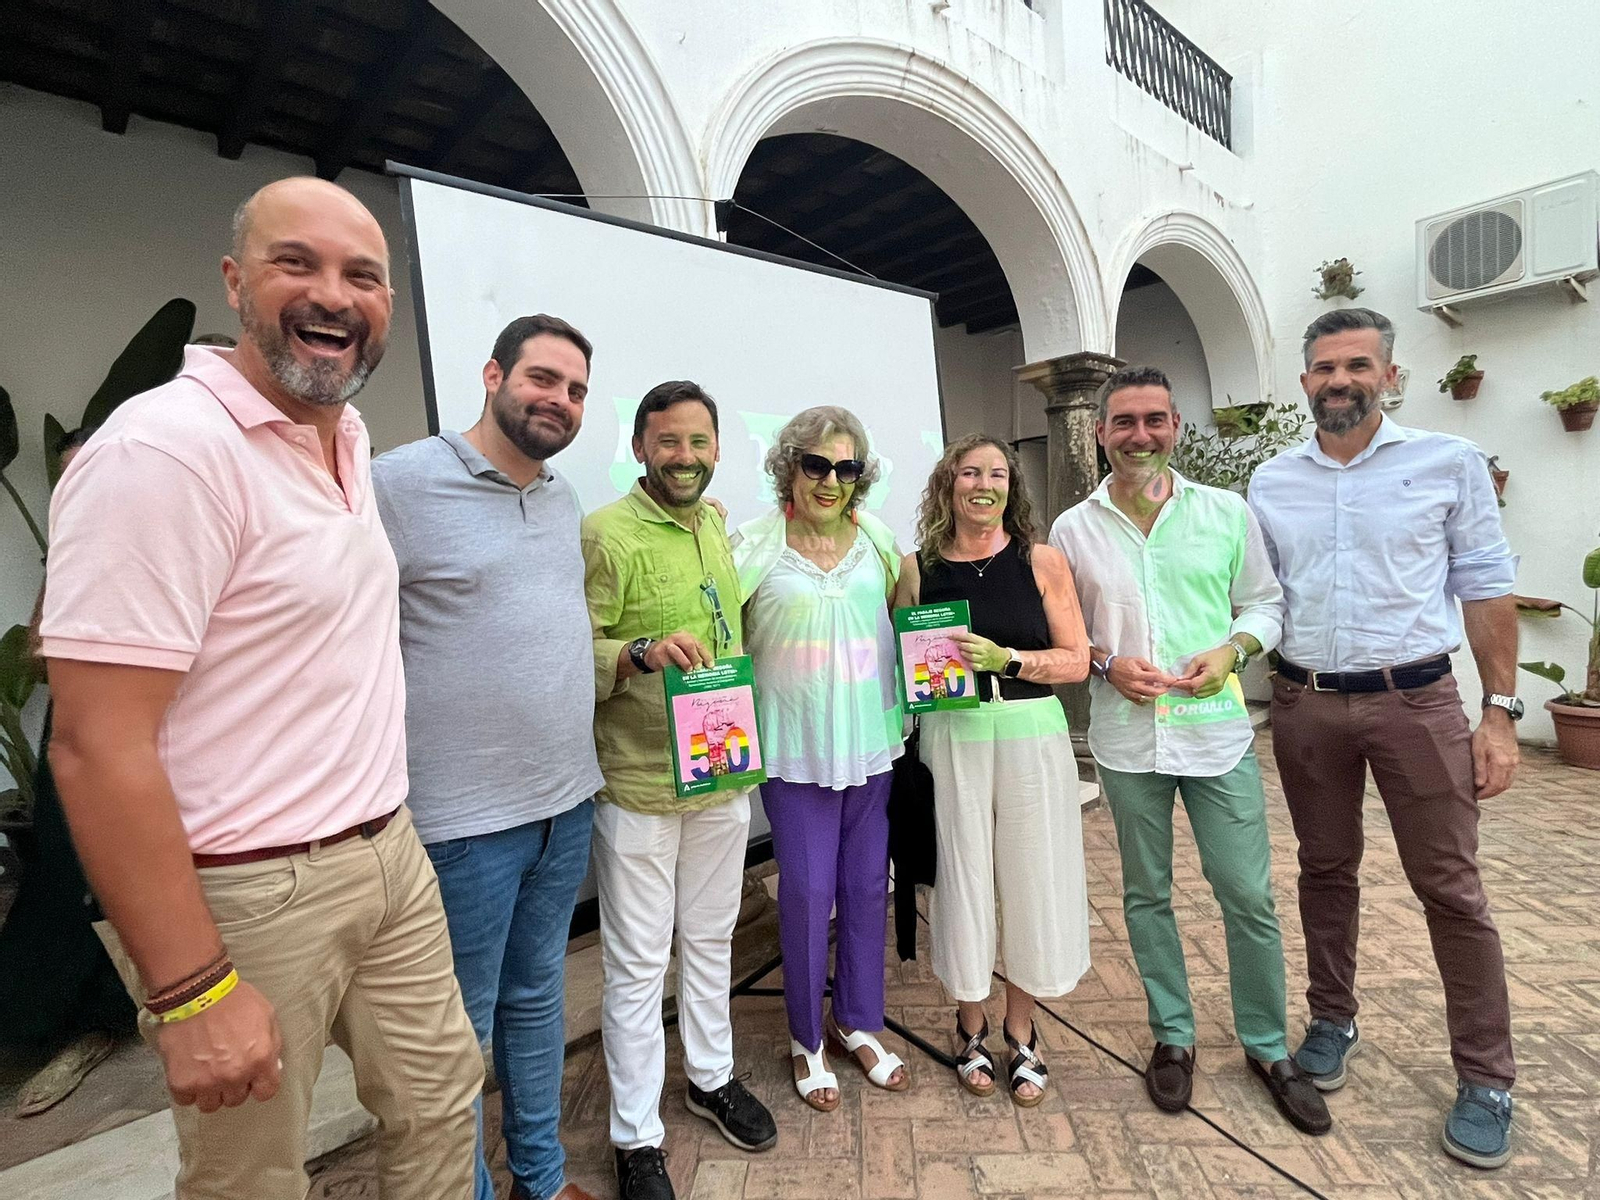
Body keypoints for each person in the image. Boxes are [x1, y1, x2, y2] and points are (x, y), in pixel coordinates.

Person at [39, 177, 481, 1200]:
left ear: (385, 309)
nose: (334, 295)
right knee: (251, 1177)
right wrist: (192, 988)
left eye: (361, 276)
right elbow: (94, 745)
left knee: (437, 1107)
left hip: (386, 852)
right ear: (237, 282)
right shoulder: (163, 453)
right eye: (299, 264)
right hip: (246, 890)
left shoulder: (344, 434)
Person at [1249, 307, 1522, 1169]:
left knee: (1451, 888)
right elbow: (1258, 594)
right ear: (1304, 384)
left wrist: (1500, 713)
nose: (1341, 380)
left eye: (1358, 365)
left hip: (1418, 704)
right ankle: (1333, 1017)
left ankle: (1486, 1076)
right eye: (1326, 367)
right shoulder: (1269, 481)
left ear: (1390, 376)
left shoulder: (1448, 462)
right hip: (1306, 704)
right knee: (1324, 871)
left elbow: (1485, 586)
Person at [1049, 366, 1331, 1135]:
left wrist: (1235, 651)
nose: (1140, 436)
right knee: (1146, 896)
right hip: (1127, 739)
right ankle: (1172, 1036)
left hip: (1216, 737)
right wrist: (1107, 664)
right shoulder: (1072, 530)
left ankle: (1268, 1047)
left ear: (1176, 427)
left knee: (1247, 895)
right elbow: (1068, 638)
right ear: (1099, 432)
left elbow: (1266, 604)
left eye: (1155, 421)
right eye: (1124, 422)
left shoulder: (1225, 513)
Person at [372, 314, 603, 1200]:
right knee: (455, 1032)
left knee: (538, 1002)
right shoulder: (397, 484)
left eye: (576, 390)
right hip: (461, 825)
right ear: (493, 373)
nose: (559, 401)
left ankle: (539, 1184)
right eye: (543, 379)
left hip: (564, 803)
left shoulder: (560, 495)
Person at [581, 381, 777, 1200]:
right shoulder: (605, 534)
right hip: (638, 786)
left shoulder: (717, 527)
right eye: (668, 443)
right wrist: (636, 652)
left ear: (718, 449)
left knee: (710, 938)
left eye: (699, 442)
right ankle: (635, 1135)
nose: (685, 458)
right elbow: (576, 652)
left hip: (721, 774)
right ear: (639, 448)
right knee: (633, 964)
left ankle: (710, 1076)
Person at [893, 434, 1092, 1107]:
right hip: (951, 735)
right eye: (969, 472)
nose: (983, 484)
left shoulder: (1041, 560)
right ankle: (970, 1024)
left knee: (1032, 878)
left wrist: (1006, 658)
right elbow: (902, 658)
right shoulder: (917, 567)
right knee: (964, 877)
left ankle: (1021, 1027)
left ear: (1013, 486)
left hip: (1031, 731)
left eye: (997, 473)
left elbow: (1075, 659)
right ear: (947, 484)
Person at [731, 405, 908, 1113]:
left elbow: (908, 618)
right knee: (806, 895)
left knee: (868, 890)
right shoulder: (753, 543)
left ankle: (857, 1021)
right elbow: (717, 629)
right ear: (789, 466)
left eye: (846, 468)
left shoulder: (882, 542)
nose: (830, 480)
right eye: (816, 464)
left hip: (872, 743)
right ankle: (806, 1037)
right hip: (793, 749)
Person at [0, 428, 136, 1117]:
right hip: (77, 728)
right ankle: (32, 1021)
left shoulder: (160, 539)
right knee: (59, 870)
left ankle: (102, 1023)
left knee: (112, 882)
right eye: (66, 475)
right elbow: (43, 648)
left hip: (135, 735)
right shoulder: (76, 547)